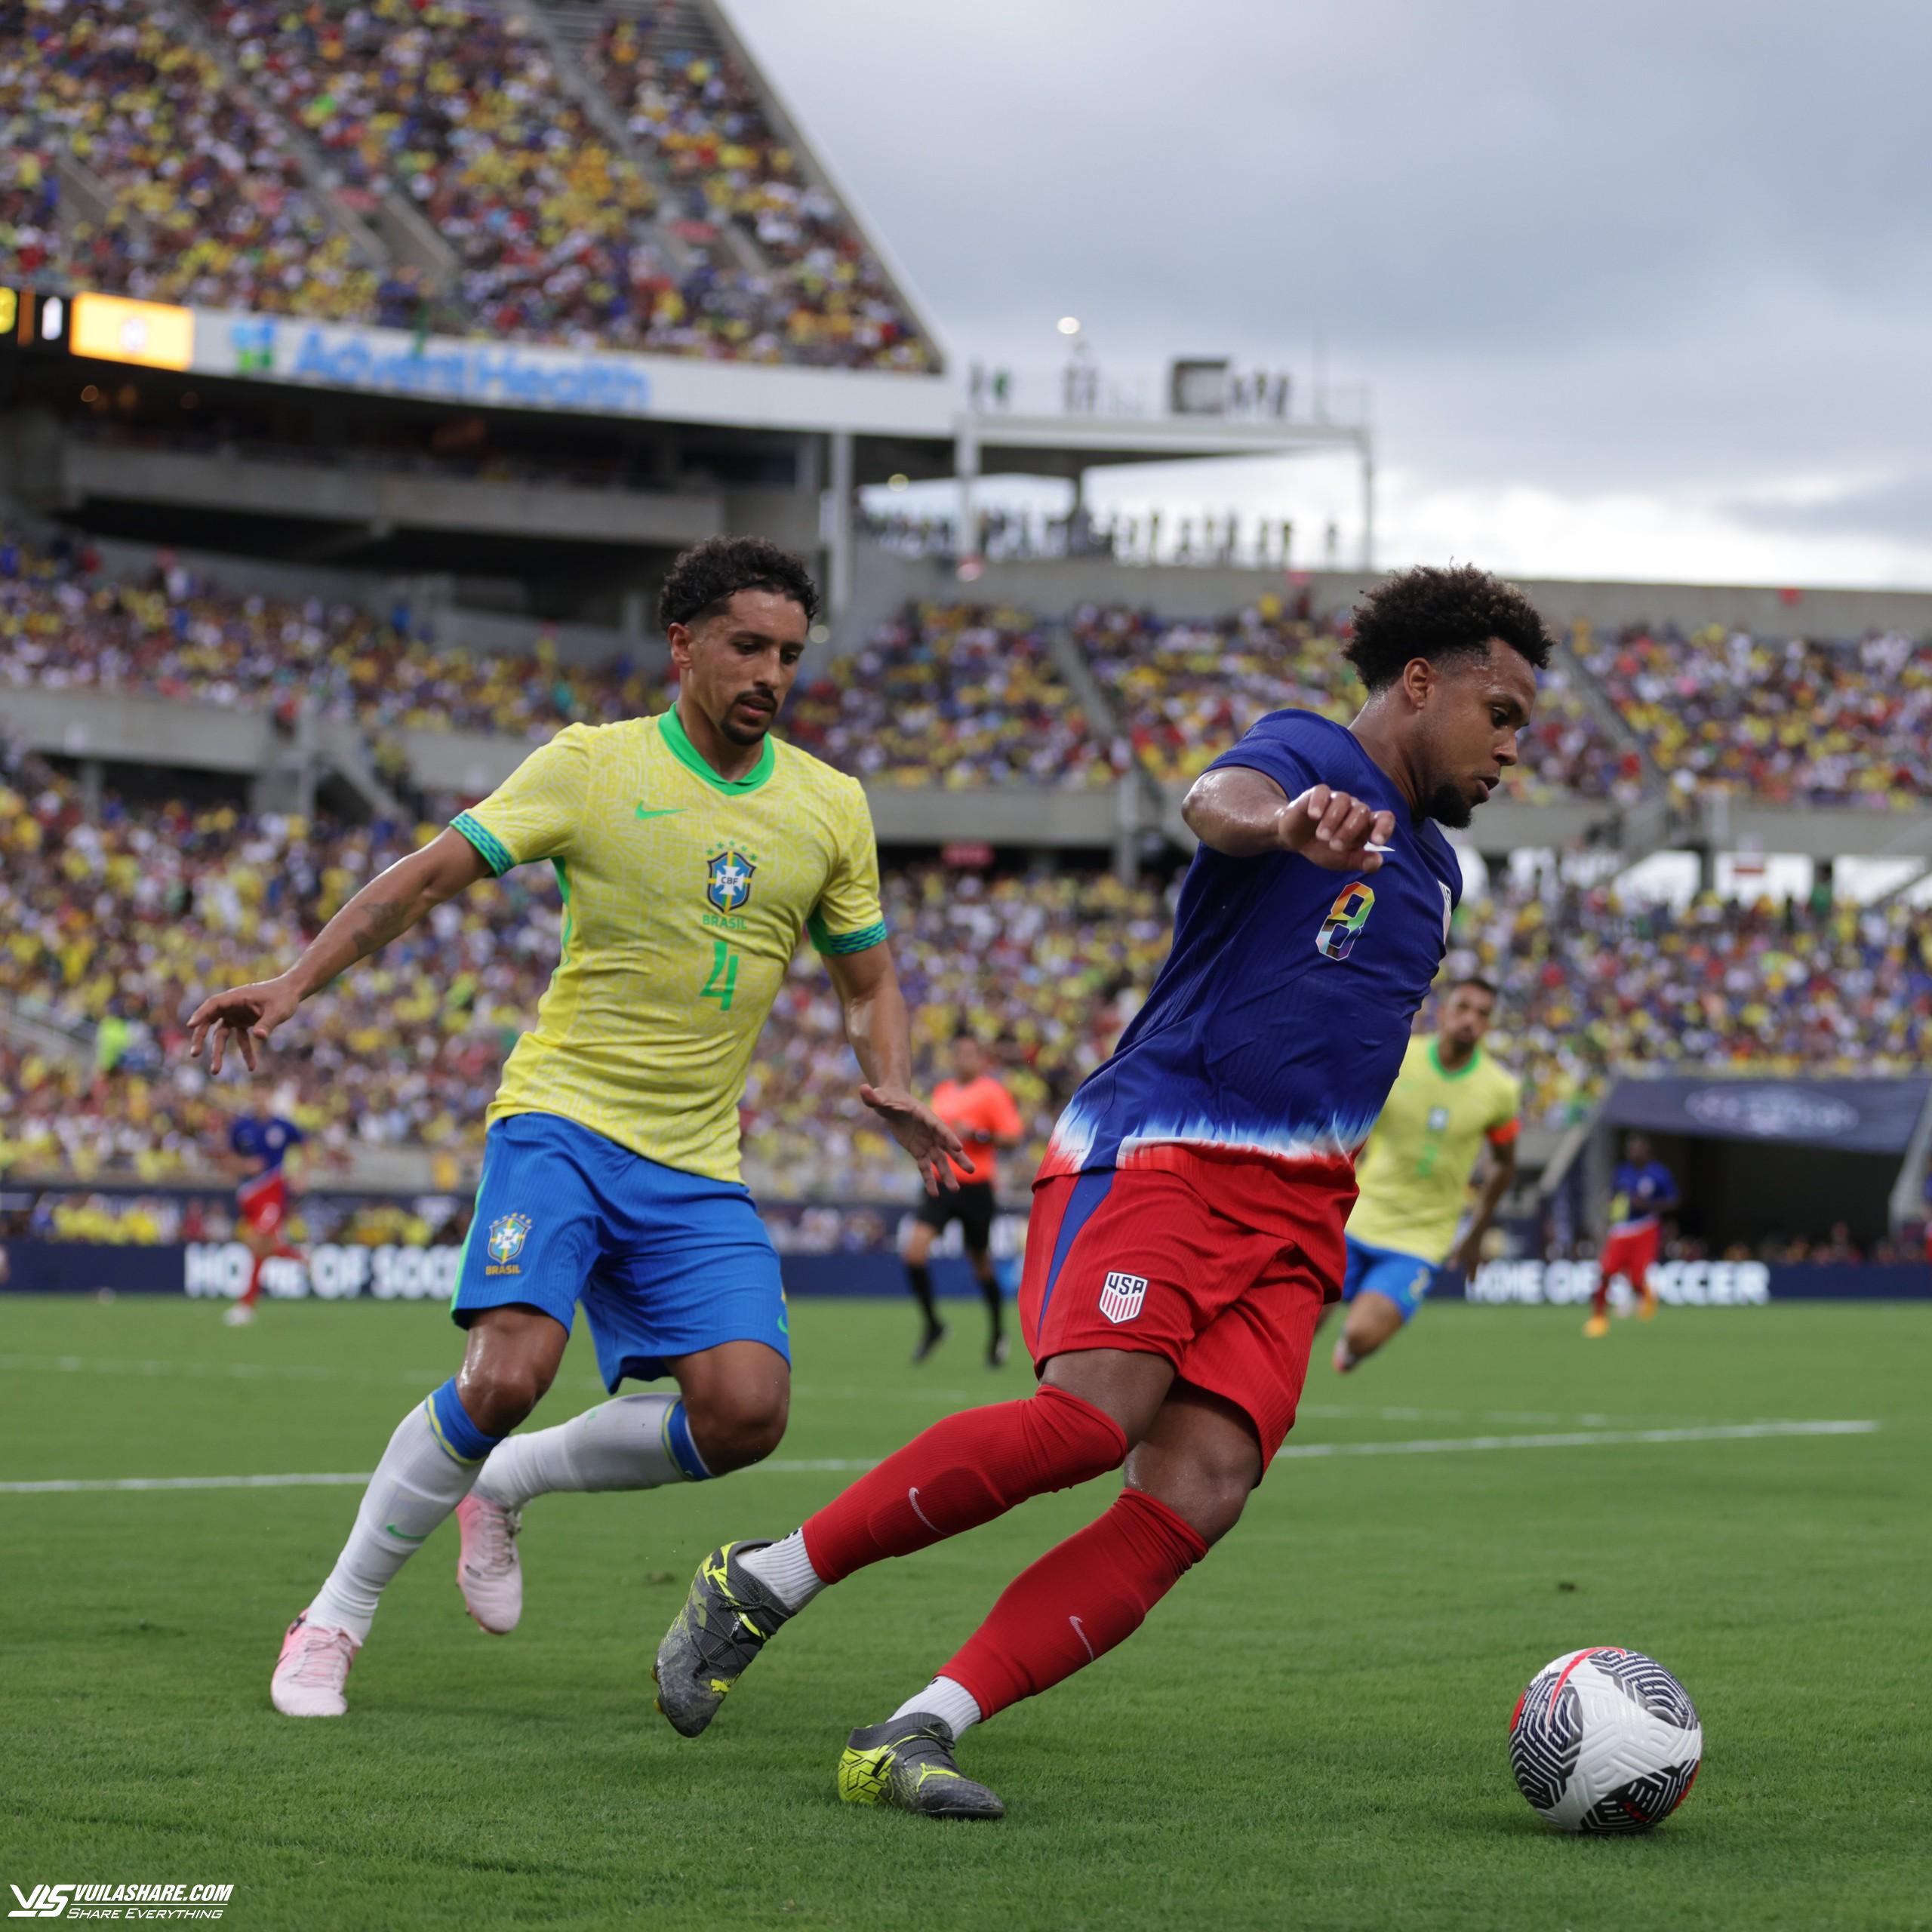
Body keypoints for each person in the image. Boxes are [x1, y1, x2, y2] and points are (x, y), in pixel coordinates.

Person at [650, 563, 1552, 1818]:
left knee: (1203, 1488)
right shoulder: (1303, 757)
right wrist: (1283, 825)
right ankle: (766, 1580)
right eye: (1499, 713)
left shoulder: (1438, 875)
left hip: (1300, 1217)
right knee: (1088, 1421)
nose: (1513, 746)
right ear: (1419, 682)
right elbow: (1217, 799)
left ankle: (919, 1728)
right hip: (1166, 1154)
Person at [186, 537, 966, 1718]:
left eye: (790, 655)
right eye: (748, 646)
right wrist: (296, 984)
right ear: (685, 645)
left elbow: (866, 982)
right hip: (562, 1118)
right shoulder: (592, 767)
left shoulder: (828, 806)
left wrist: (897, 1081)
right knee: (507, 1373)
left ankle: (501, 1488)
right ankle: (334, 1617)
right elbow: (428, 876)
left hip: (697, 1157)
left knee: (748, 1412)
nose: (770, 673)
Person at [1328, 977, 1520, 1373]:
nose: (1471, 1020)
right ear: (1444, 1010)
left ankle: (1354, 1346)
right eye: (1463, 1007)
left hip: (1422, 1237)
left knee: (1362, 1334)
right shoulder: (1400, 1056)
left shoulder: (1499, 1090)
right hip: (1356, 1216)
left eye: (1482, 1014)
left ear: (1490, 1025)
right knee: (1298, 1323)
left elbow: (1505, 1162)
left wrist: (1476, 1233)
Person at [903, 1029, 1024, 1367]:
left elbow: (1013, 1138)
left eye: (970, 1053)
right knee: (914, 1253)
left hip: (975, 1186)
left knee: (981, 1264)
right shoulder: (942, 1092)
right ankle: (933, 1325)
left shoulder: (992, 1093)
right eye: (959, 1053)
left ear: (981, 1058)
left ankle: (998, 1334)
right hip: (942, 1184)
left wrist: (979, 1134)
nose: (963, 1059)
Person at [220, 1095, 306, 1327]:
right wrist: (244, 1166)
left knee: (257, 1243)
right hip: (249, 1194)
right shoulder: (242, 1127)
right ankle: (299, 1257)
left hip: (273, 1191)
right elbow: (229, 1159)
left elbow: (304, 1145)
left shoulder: (283, 1126)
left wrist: (300, 1174)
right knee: (259, 1247)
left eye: (266, 1093)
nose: (262, 1099)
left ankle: (246, 1305)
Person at [1586, 1133, 1679, 1337]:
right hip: (1622, 1230)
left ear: (1647, 1151)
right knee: (1606, 1272)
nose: (1633, 1152)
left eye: (1638, 1149)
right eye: (1631, 1149)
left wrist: (1649, 1205)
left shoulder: (1658, 1173)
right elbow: (1614, 1198)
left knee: (1638, 1276)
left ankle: (1645, 1296)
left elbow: (1673, 1201)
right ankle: (1598, 1318)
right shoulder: (1621, 1172)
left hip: (1646, 1227)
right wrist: (1609, 1212)